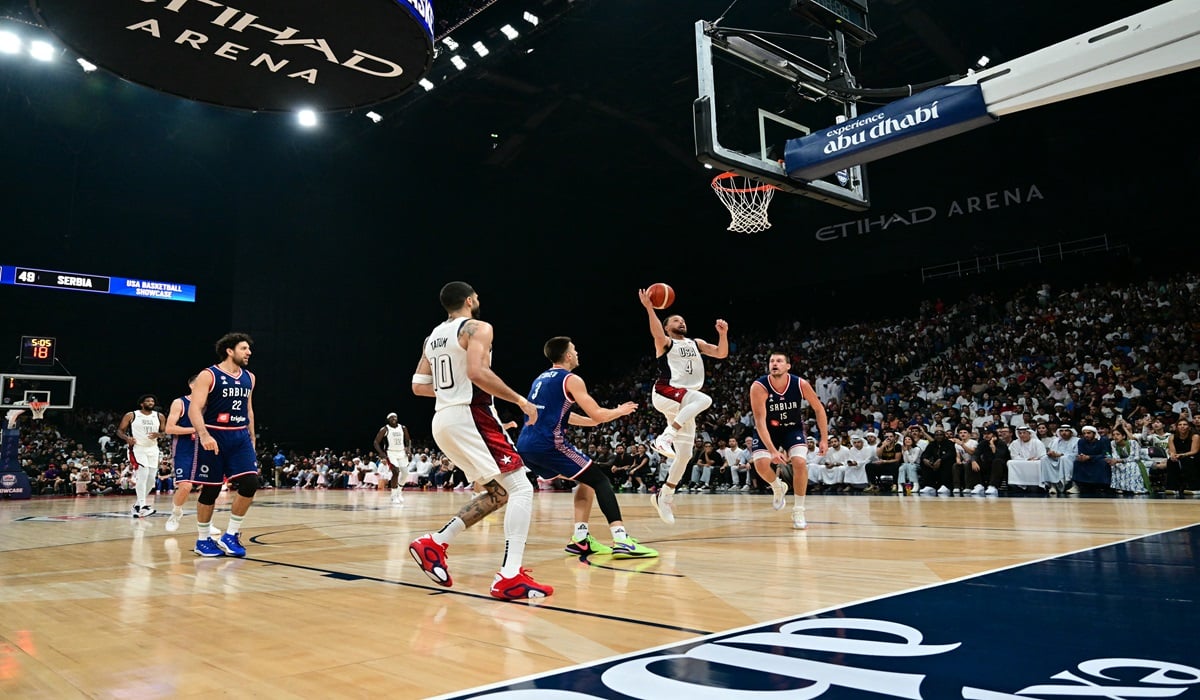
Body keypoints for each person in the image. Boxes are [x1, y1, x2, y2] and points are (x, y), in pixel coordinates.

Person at [407, 281, 551, 600]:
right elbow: (476, 372)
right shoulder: (478, 327)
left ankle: (435, 543)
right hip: (471, 414)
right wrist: (520, 401)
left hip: (442, 419)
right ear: (470, 300)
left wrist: (450, 391)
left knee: (499, 493)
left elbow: (418, 384)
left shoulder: (432, 338)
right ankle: (510, 576)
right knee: (523, 487)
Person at [516, 336, 656, 559]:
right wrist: (618, 411)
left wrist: (592, 422)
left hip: (525, 445)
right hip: (549, 443)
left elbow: (563, 414)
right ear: (568, 355)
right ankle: (621, 539)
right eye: (575, 350)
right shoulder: (571, 379)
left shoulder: (540, 379)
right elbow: (599, 413)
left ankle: (581, 540)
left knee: (587, 480)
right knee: (601, 480)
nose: (578, 353)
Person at [640, 288, 729, 524]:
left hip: (684, 400)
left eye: (683, 320)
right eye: (676, 320)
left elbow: (721, 353)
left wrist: (723, 333)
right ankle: (664, 437)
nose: (682, 322)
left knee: (686, 454)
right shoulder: (666, 342)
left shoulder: (696, 343)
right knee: (704, 399)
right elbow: (656, 332)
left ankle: (664, 495)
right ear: (667, 326)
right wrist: (650, 308)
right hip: (666, 391)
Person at [187, 332, 259, 557]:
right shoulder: (208, 375)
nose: (249, 352)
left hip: (240, 437)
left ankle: (231, 535)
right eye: (244, 348)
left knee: (250, 482)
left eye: (248, 349)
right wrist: (204, 434)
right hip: (215, 436)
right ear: (230, 351)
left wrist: (253, 436)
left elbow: (248, 409)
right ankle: (202, 540)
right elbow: (194, 408)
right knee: (212, 489)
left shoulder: (250, 377)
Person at [747, 351, 828, 530]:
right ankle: (777, 487)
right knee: (760, 464)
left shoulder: (800, 384)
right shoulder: (759, 386)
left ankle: (799, 510)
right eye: (772, 361)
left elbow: (819, 409)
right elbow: (759, 422)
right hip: (768, 430)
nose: (775, 363)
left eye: (779, 361)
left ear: (788, 366)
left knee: (799, 462)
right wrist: (773, 451)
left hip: (792, 428)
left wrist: (824, 438)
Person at [163, 375, 221, 536]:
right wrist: (196, 430)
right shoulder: (180, 403)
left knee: (210, 488)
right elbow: (169, 428)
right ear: (191, 385)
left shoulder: (211, 405)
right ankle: (176, 513)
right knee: (186, 485)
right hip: (185, 449)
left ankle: (206, 522)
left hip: (206, 449)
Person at [117, 394, 166, 518]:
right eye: (148, 401)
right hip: (138, 448)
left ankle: (137, 505)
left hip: (153, 449)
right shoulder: (131, 415)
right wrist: (127, 438)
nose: (151, 402)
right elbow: (120, 431)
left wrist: (159, 435)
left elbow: (164, 432)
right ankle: (143, 506)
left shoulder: (159, 416)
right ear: (141, 404)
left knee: (151, 479)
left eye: (152, 401)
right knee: (142, 475)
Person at [373, 413, 412, 505]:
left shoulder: (403, 428)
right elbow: (376, 442)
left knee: (405, 473)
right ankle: (394, 496)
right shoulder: (385, 429)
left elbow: (408, 440)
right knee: (395, 471)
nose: (394, 418)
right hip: (391, 453)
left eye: (395, 417)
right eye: (391, 417)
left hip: (402, 452)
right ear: (388, 419)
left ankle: (399, 491)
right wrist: (381, 453)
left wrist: (408, 449)